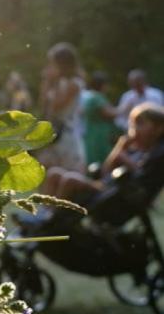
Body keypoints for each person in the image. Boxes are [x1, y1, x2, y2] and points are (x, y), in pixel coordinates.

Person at [43, 103, 164, 207]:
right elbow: (105, 171)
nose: (134, 130)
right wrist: (119, 149)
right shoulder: (134, 151)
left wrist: (125, 159)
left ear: (159, 128)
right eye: (132, 124)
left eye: (140, 124)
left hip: (117, 195)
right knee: (54, 173)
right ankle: (44, 212)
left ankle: (49, 219)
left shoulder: (155, 155)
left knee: (70, 179)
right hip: (106, 188)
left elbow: (142, 177)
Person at [36, 42, 87, 173]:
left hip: (67, 134)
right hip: (55, 132)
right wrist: (46, 81)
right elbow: (43, 105)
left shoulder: (74, 84)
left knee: (65, 172)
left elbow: (56, 106)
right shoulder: (58, 82)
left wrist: (51, 81)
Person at [81, 71, 118, 167]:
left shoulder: (88, 95)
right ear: (103, 85)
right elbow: (108, 114)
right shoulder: (97, 97)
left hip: (90, 131)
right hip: (99, 133)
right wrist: (124, 109)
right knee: (102, 158)